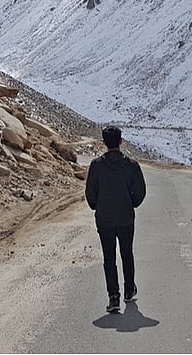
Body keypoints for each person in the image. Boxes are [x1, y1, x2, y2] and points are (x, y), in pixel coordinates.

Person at [84, 125, 146, 313]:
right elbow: (140, 192)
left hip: (104, 219)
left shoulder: (96, 166)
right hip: (126, 217)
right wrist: (130, 204)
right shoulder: (132, 166)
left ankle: (113, 297)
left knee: (109, 257)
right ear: (121, 141)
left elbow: (90, 193)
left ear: (103, 142)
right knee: (127, 253)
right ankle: (129, 289)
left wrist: (98, 206)